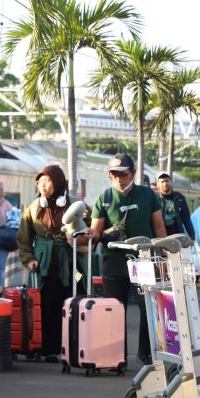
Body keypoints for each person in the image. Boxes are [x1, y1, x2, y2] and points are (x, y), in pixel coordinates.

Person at [87, 153, 166, 366]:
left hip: (143, 259)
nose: (119, 179)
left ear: (133, 173)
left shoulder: (148, 194)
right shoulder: (104, 198)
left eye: (124, 174)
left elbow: (158, 226)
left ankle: (146, 352)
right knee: (114, 308)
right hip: (113, 260)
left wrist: (164, 255)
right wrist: (92, 234)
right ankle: (115, 355)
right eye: (114, 175)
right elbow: (96, 231)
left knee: (147, 306)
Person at [16, 165, 87, 361]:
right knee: (44, 306)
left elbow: (89, 230)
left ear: (59, 183)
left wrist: (78, 238)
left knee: (71, 303)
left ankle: (71, 348)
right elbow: (23, 238)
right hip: (43, 266)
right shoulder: (33, 208)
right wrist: (28, 259)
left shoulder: (74, 204)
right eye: (40, 181)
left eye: (48, 181)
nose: (43, 185)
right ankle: (44, 349)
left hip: (70, 264)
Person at [155, 173, 195, 238]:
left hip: (177, 234)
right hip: (160, 235)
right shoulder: (155, 198)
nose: (165, 184)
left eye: (167, 181)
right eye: (162, 182)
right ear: (158, 184)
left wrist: (192, 236)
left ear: (171, 182)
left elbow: (186, 218)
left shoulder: (179, 197)